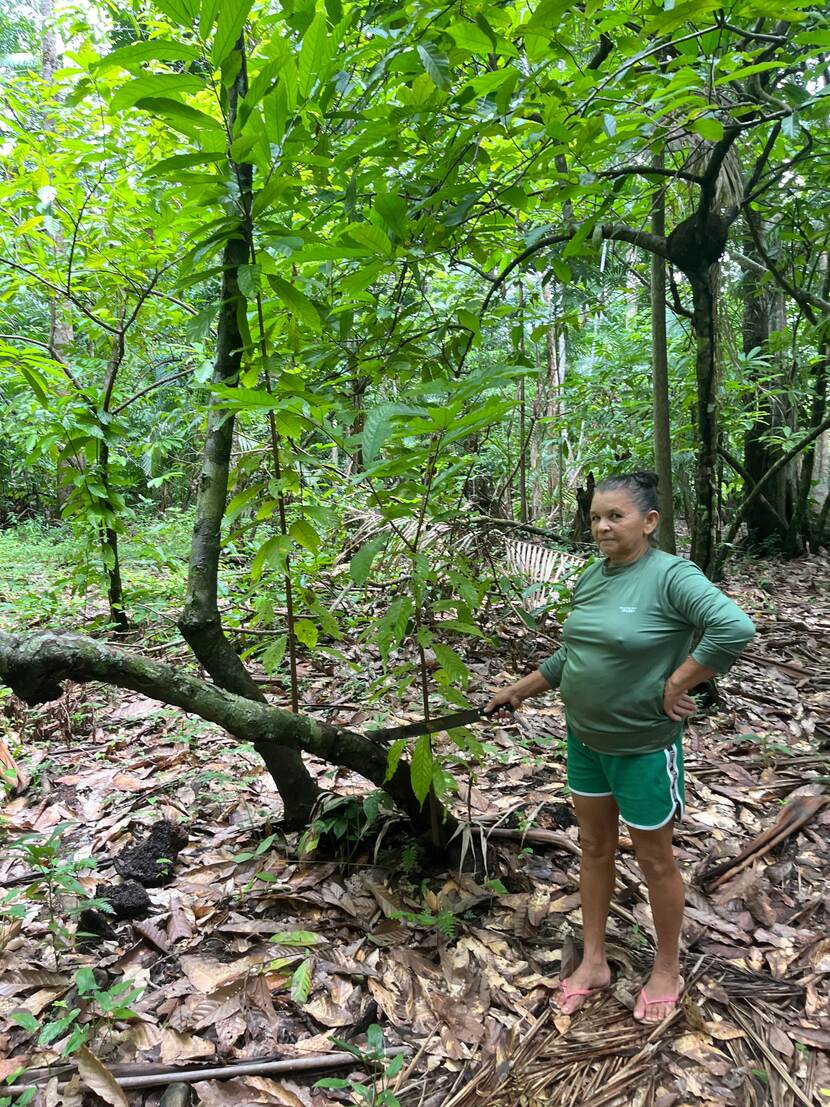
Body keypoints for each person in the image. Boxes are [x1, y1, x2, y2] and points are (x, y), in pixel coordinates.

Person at [486, 471, 755, 1023]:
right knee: (592, 847)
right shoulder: (593, 577)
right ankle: (593, 961)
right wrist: (519, 689)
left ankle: (665, 969)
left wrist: (678, 683)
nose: (603, 527)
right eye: (595, 518)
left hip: (643, 748)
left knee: (655, 859)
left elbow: (733, 628)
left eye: (616, 516)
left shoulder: (670, 577)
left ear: (650, 522)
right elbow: (572, 655)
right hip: (585, 739)